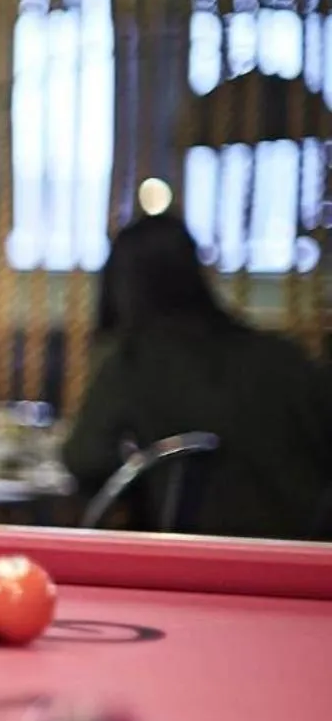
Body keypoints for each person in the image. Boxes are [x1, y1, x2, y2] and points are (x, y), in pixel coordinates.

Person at [63, 213, 332, 539]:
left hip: (201, 553)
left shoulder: (133, 360)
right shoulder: (283, 354)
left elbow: (84, 459)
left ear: (120, 283)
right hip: (311, 552)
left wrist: (141, 474)